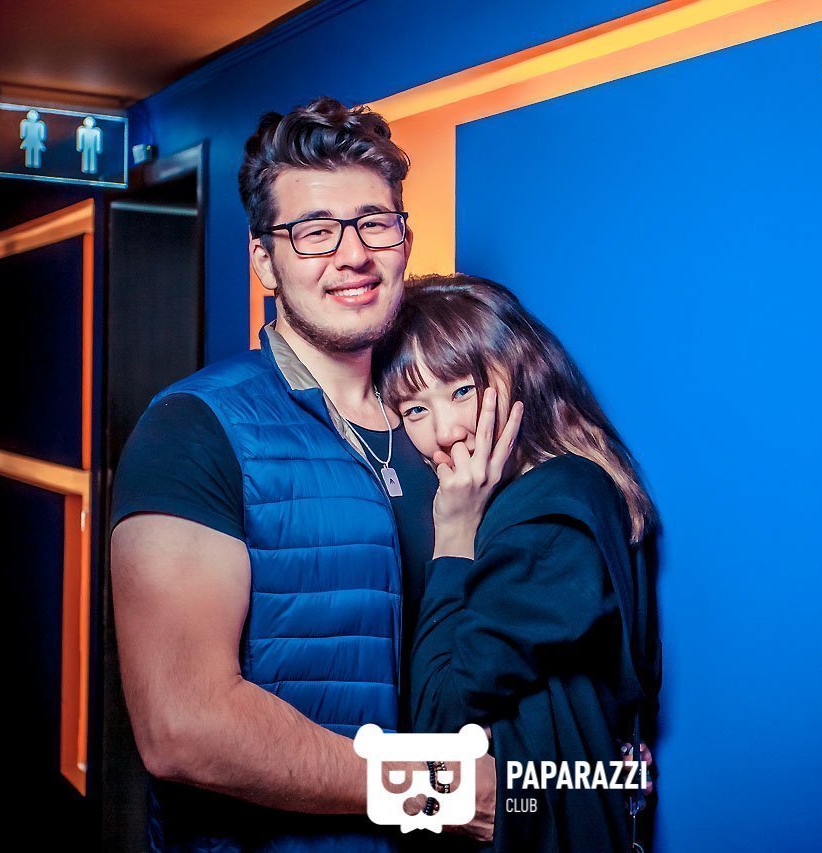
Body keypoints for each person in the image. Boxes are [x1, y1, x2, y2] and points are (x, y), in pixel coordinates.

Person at [109, 98, 499, 851]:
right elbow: (183, 725)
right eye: (315, 231)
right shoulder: (194, 427)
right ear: (265, 261)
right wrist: (430, 787)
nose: (353, 255)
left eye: (374, 223)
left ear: (403, 238)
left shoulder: (442, 420)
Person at [374, 275, 663, 852]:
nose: (447, 432)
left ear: (519, 369)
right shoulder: (560, 490)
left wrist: (453, 535)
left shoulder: (548, 513)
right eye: (415, 409)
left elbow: (437, 730)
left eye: (462, 391)